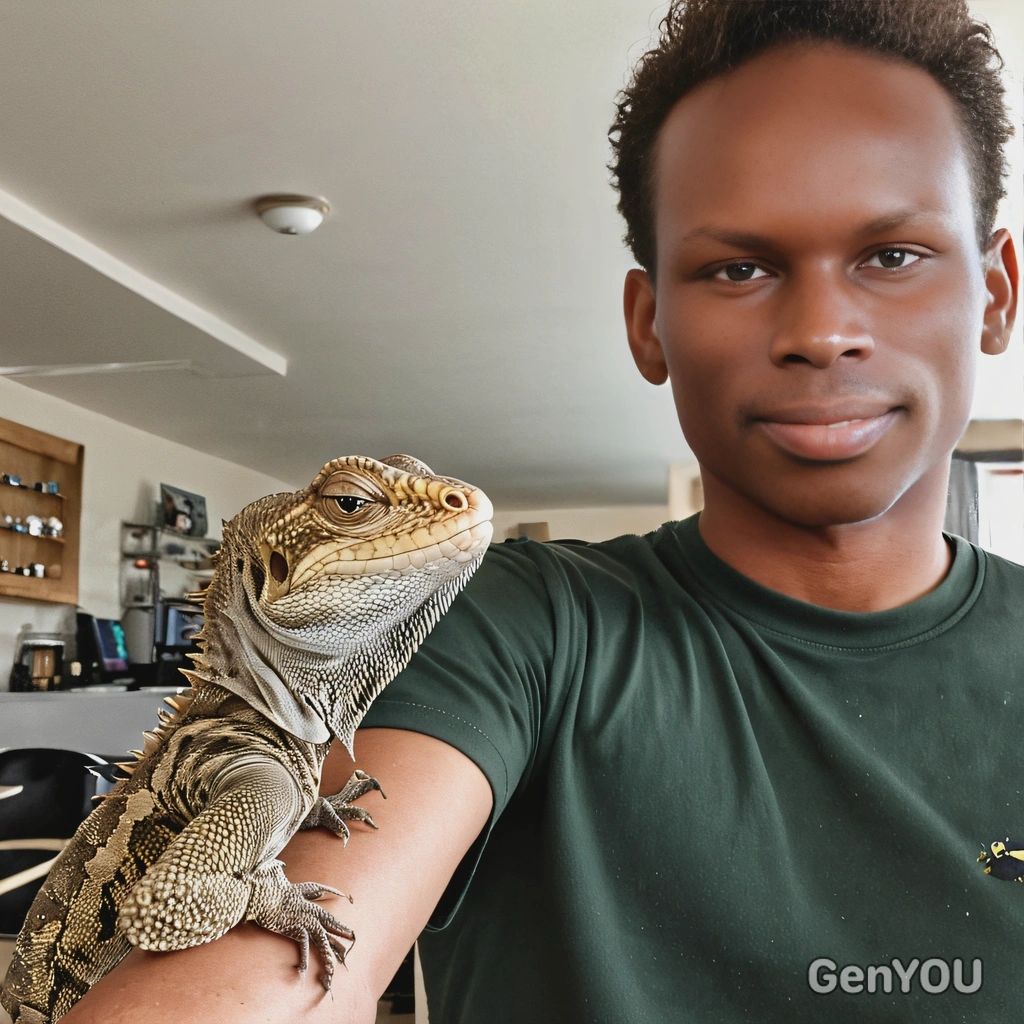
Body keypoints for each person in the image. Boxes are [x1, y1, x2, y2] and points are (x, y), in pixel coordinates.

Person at [62, 0, 1020, 1021]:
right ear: (650, 325)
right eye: (737, 267)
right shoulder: (511, 622)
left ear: (996, 294)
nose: (823, 332)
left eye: (892, 255)